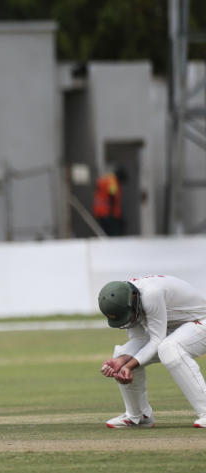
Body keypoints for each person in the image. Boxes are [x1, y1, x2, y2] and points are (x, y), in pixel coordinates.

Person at [97, 274, 206, 429]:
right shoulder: (127, 299)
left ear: (133, 302)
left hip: (201, 321)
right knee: (120, 357)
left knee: (169, 348)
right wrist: (121, 363)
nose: (129, 320)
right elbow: (139, 340)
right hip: (175, 327)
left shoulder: (151, 294)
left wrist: (129, 366)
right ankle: (139, 416)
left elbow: (156, 340)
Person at [92, 167, 125, 237]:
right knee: (113, 234)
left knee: (105, 233)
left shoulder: (107, 179)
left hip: (100, 212)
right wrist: (112, 214)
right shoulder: (113, 182)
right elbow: (112, 196)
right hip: (108, 213)